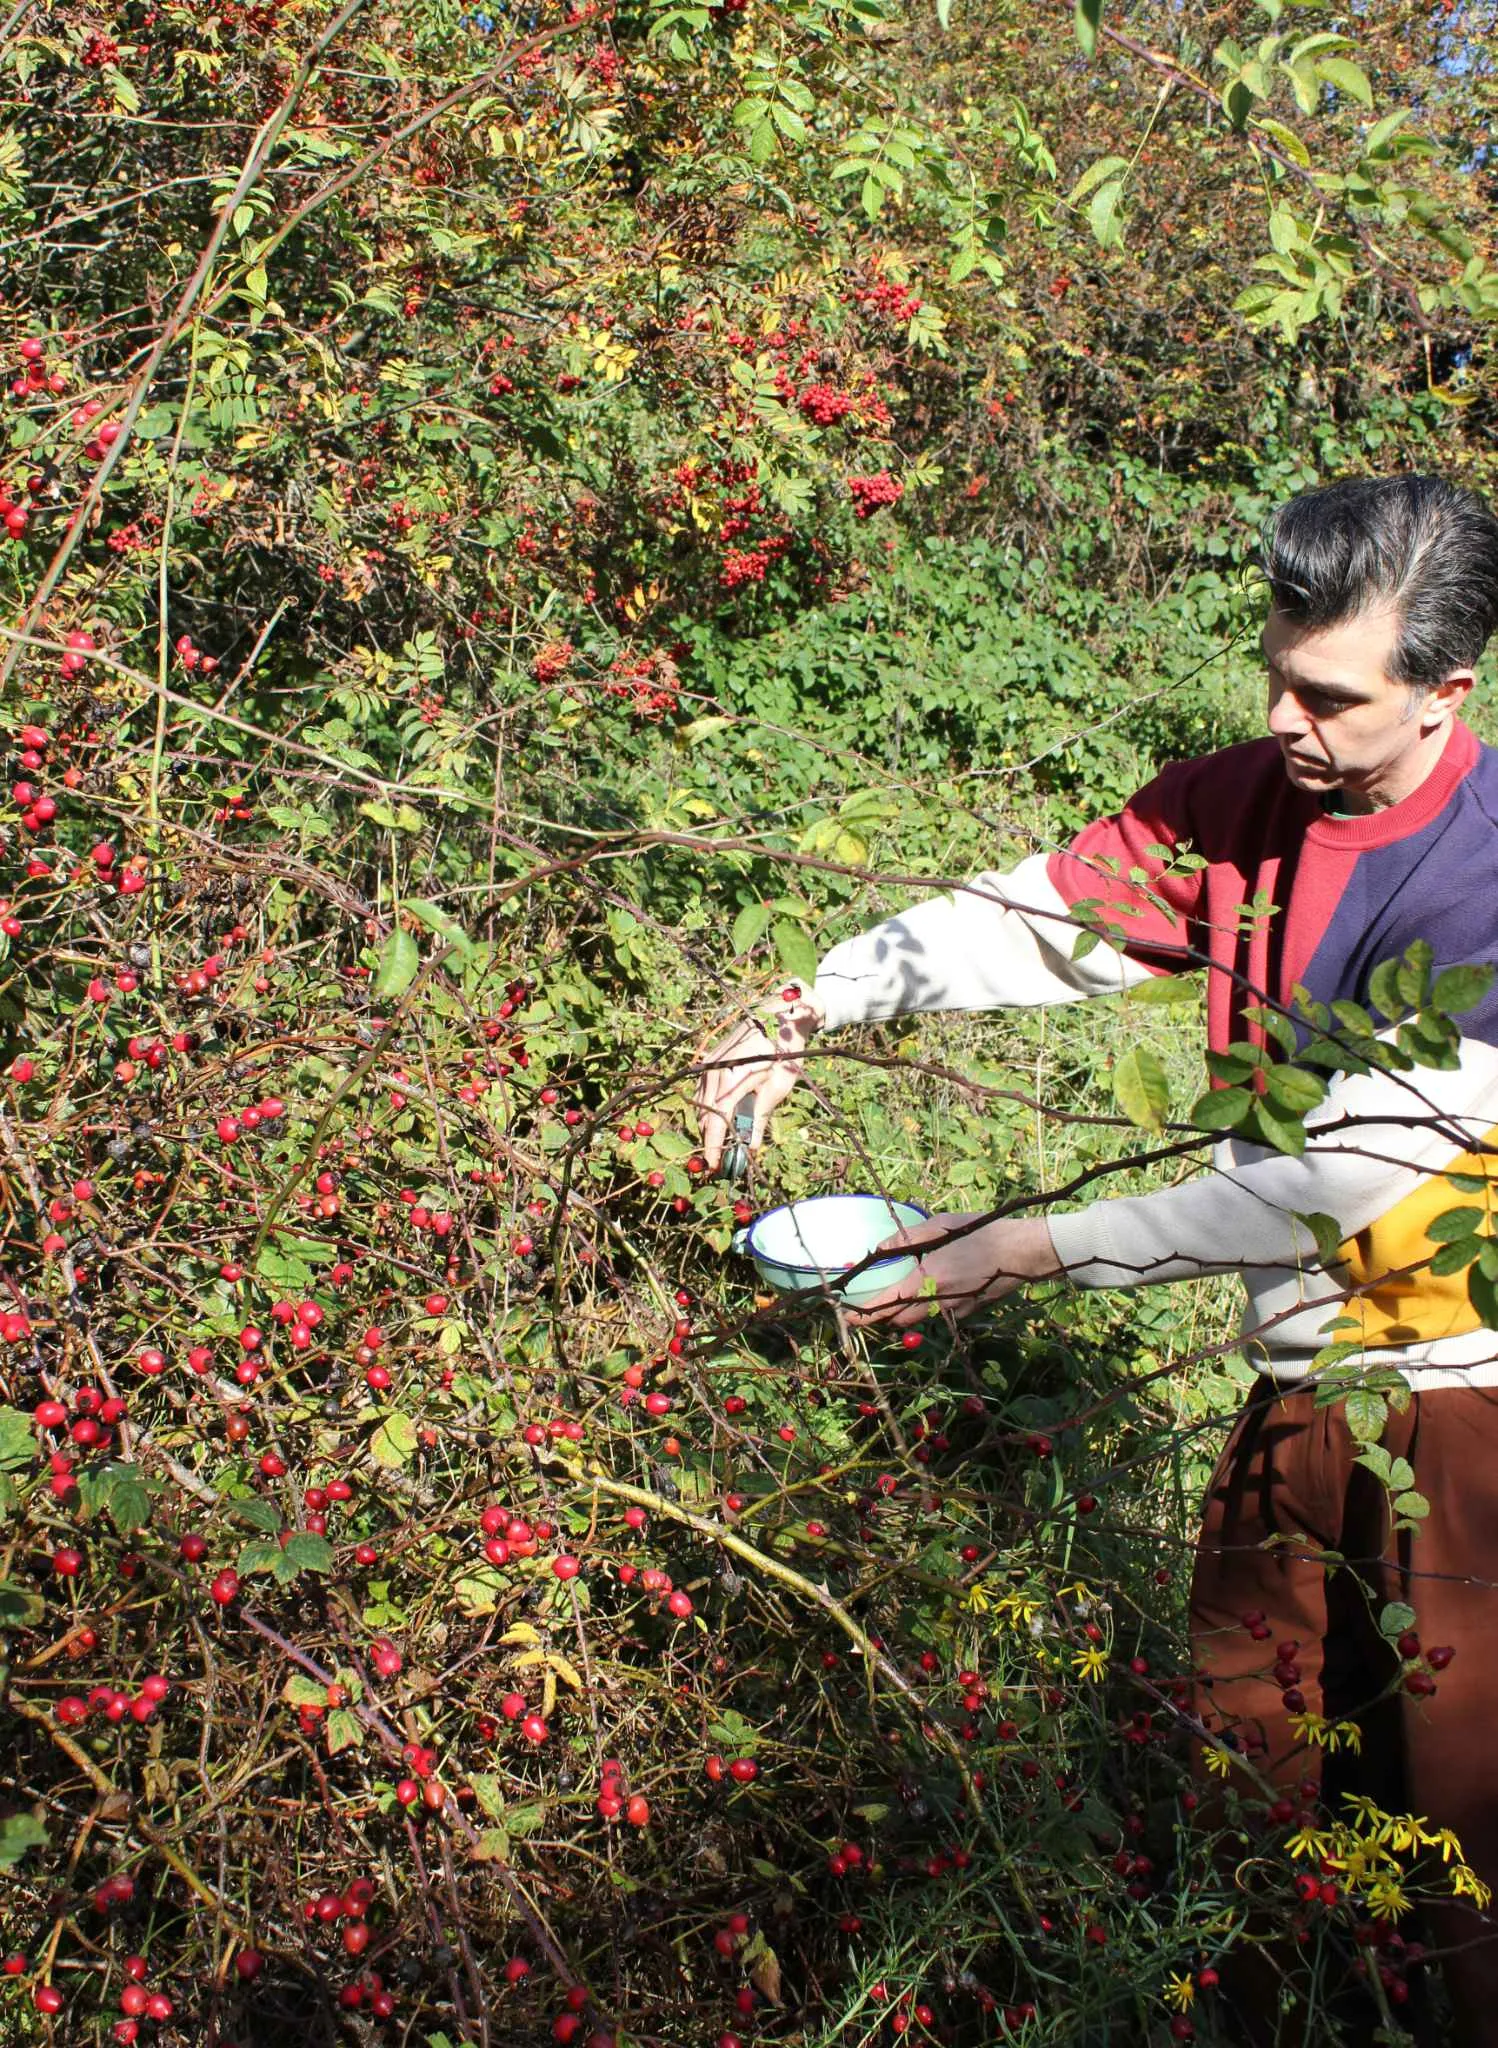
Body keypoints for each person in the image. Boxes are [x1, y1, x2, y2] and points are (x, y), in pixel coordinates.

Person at [694, 474, 1498, 2045]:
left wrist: (1015, 1249)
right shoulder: (1242, 804)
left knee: (1463, 1870)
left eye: (1329, 697)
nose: (1283, 716)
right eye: (1272, 668)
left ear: (1441, 696)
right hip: (1302, 1389)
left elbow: (1334, 1185)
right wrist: (811, 1002)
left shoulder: (1477, 881)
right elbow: (1033, 922)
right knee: (1248, 1822)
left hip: (1466, 1418)